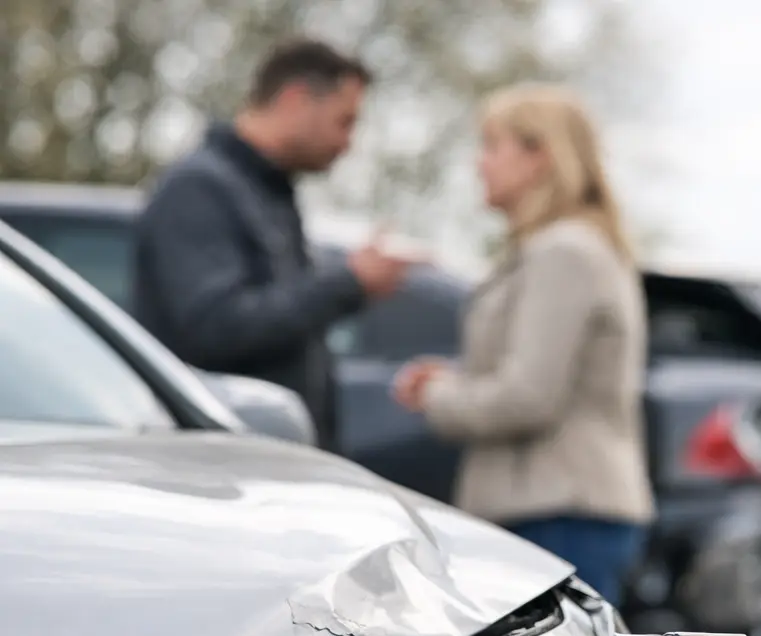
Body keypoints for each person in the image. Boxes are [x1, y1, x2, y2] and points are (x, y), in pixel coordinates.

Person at [391, 83, 654, 605]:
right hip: (560, 511)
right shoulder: (570, 247)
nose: (479, 164)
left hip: (557, 514)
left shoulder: (563, 252)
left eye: (492, 146)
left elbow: (529, 396)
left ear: (539, 157)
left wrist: (436, 396)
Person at [133, 37, 417, 451]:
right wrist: (349, 283)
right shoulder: (199, 190)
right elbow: (216, 328)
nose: (347, 143)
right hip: (219, 470)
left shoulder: (267, 194)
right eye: (345, 121)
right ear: (296, 100)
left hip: (262, 466)